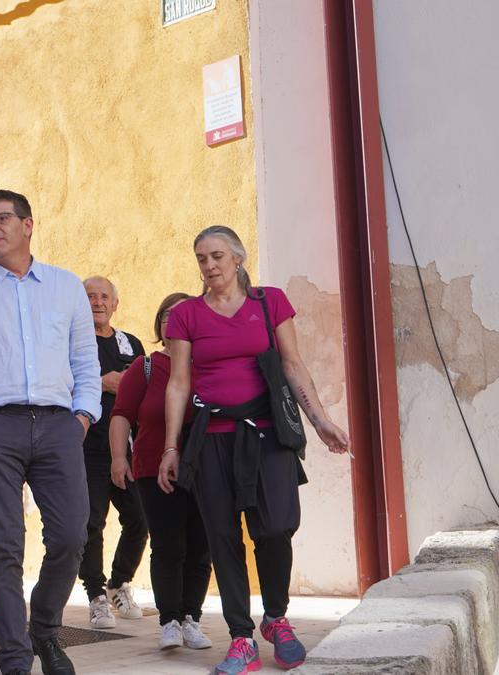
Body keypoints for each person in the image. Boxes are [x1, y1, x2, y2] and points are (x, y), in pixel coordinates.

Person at [159, 226, 350, 674]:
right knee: (222, 537)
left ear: (239, 258)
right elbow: (179, 381)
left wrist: (320, 420)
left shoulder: (270, 302)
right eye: (202, 258)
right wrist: (171, 447)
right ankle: (241, 637)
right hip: (212, 439)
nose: (209, 266)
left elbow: (292, 364)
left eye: (217, 256)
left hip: (267, 435)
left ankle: (277, 619)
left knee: (277, 527)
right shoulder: (186, 314)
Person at [0, 190, 103, 675]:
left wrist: (82, 418)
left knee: (72, 534)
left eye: (2, 218)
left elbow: (84, 363)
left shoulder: (66, 287)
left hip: (58, 426)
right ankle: (15, 656)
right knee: (5, 543)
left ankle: (45, 631)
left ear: (28, 225)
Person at [109, 292, 213, 651]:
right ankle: (169, 621)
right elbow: (121, 414)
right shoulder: (147, 366)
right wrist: (118, 458)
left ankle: (191, 619)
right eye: (166, 314)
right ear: (159, 324)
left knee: (201, 547)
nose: (173, 320)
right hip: (155, 469)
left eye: (181, 314)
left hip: (205, 469)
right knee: (169, 545)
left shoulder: (210, 364)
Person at [76, 275, 149, 630]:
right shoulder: (71, 342)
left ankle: (119, 582)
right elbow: (58, 381)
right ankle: (96, 596)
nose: (97, 302)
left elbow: (145, 389)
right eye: (90, 296)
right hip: (86, 449)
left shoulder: (130, 344)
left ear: (115, 304)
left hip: (127, 450)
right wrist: (101, 382)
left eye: (104, 296)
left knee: (140, 518)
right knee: (91, 523)